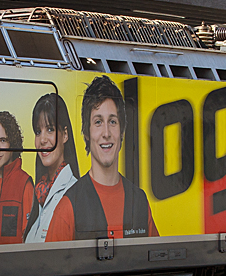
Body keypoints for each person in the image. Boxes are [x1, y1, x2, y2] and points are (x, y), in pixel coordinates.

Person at [43, 76, 158, 241]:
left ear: (122, 131)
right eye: (98, 122)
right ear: (86, 133)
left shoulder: (140, 202)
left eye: (112, 121)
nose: (106, 133)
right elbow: (51, 265)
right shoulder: (68, 207)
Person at [24, 92, 81, 243]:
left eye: (50, 129)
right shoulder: (39, 192)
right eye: (38, 131)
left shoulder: (75, 193)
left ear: (65, 134)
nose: (42, 140)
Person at [0, 111, 34, 245]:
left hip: (14, 264)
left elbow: (29, 239)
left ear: (13, 144)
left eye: (3, 140)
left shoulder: (25, 183)